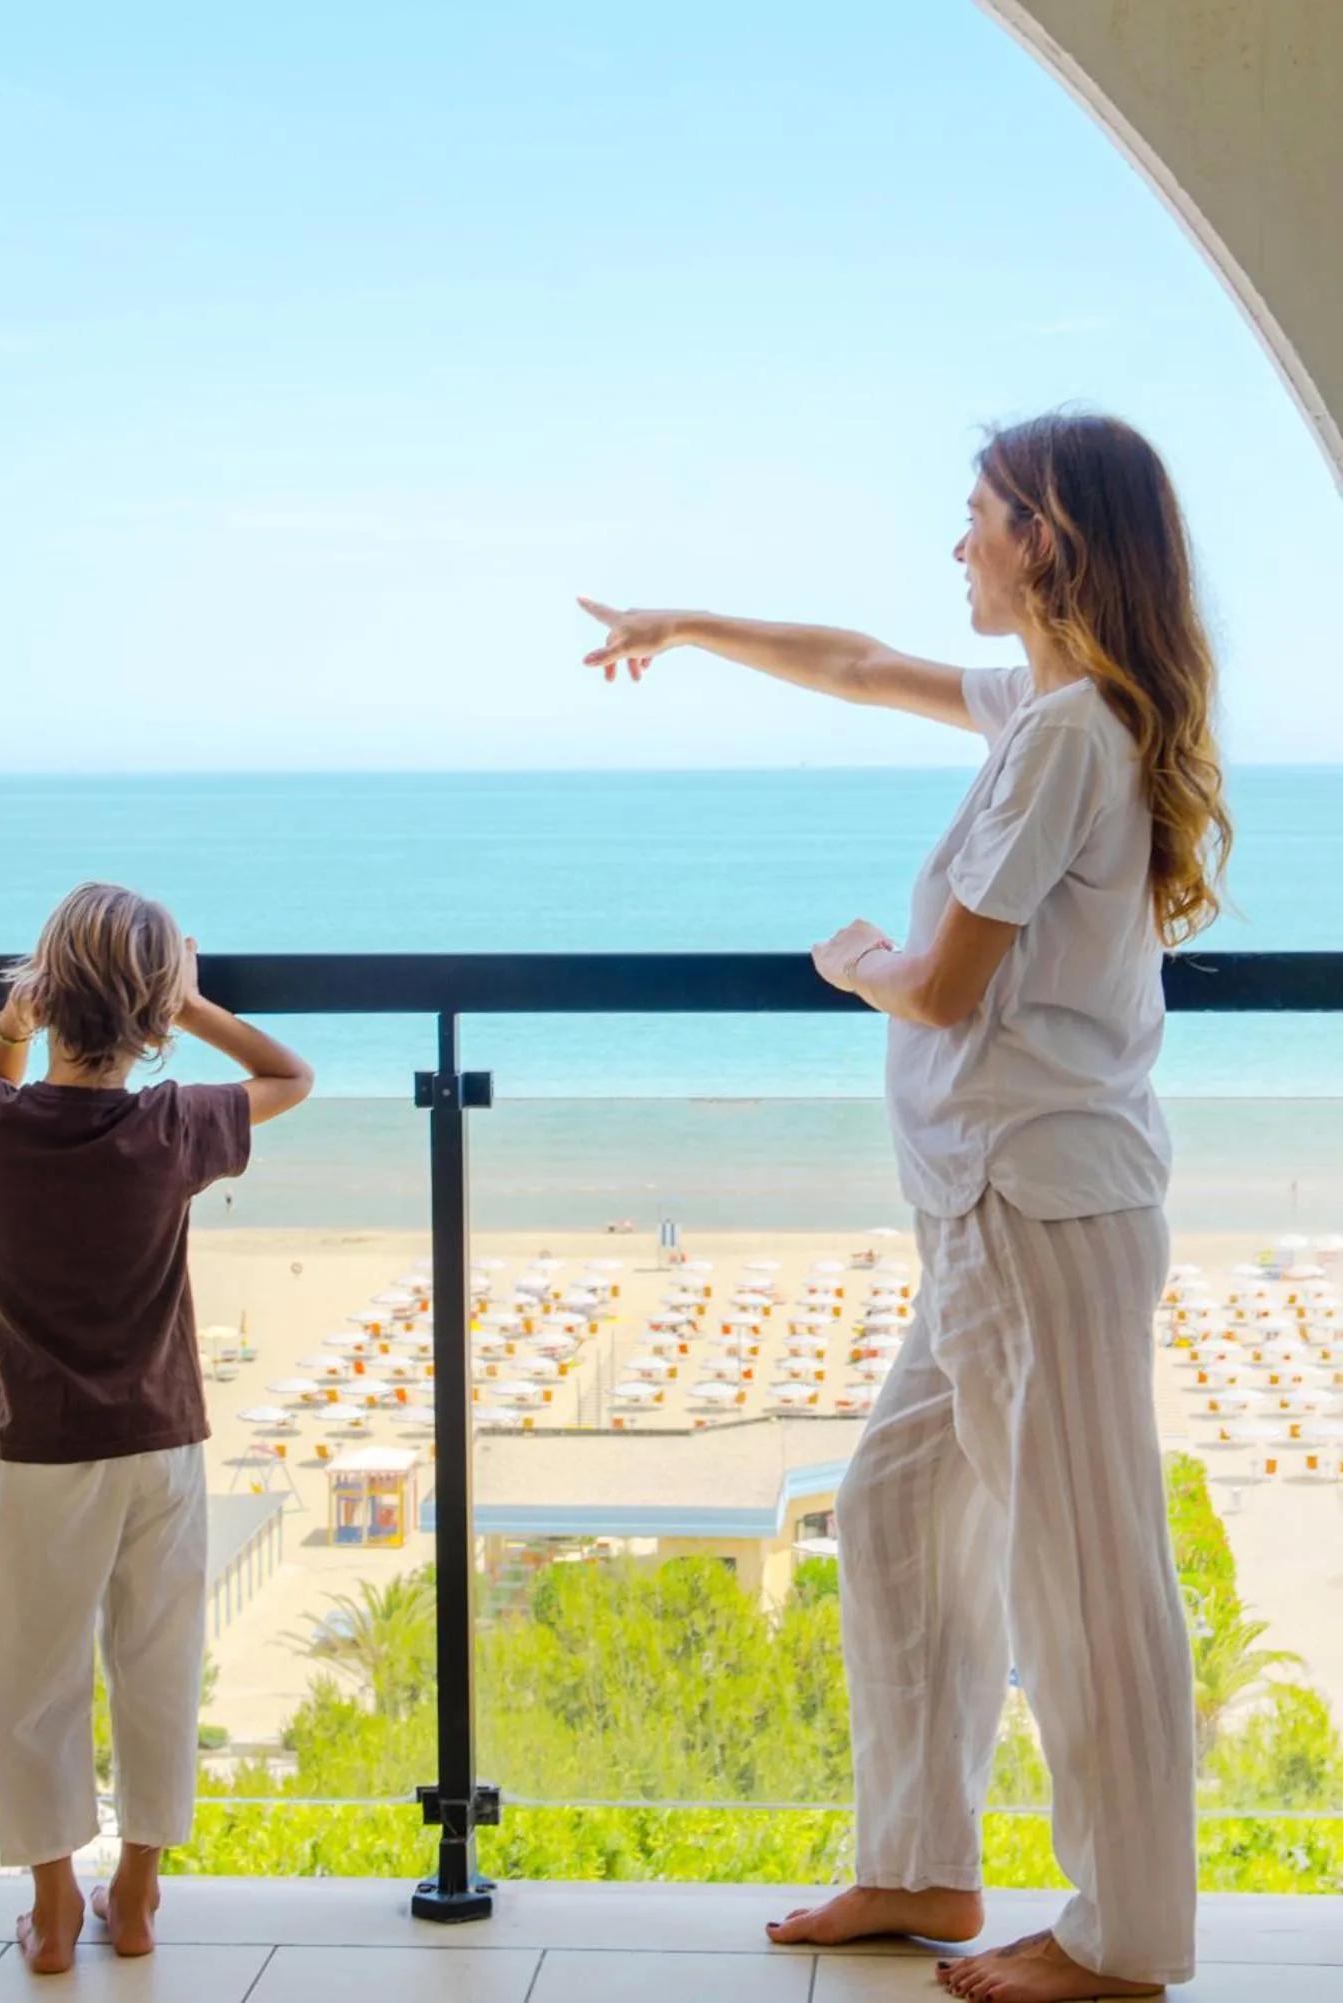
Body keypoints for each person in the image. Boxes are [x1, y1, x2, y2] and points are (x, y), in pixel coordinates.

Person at [580, 411, 1229, 2003]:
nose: (960, 544)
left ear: (1049, 539)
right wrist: (687, 623)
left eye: (981, 516)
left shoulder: (1075, 734)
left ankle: (1124, 1933)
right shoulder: (1054, 710)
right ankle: (927, 1863)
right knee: (890, 1506)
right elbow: (863, 664)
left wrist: (850, 957)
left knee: (1086, 1573)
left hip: (1041, 1214)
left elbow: (943, 986)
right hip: (991, 1216)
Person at [0, 883, 313, 1973]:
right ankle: (139, 1891)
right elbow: (291, 1076)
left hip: (42, 1452)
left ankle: (54, 1907)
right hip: (161, 1440)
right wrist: (192, 1004)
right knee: (156, 1660)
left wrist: (10, 1028)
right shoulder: (172, 1125)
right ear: (150, 1015)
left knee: (35, 1673)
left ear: (42, 994)